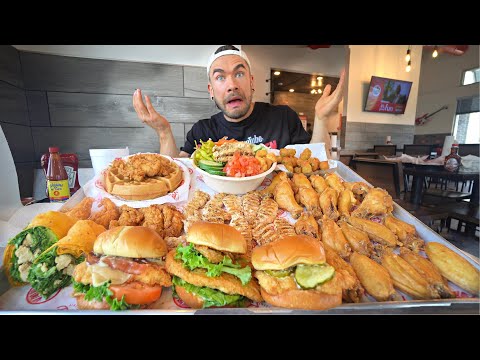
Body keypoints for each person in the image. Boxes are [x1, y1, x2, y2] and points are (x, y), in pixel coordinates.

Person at [133, 45, 345, 158]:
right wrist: (163, 132)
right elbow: (178, 170)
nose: (232, 85)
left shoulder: (283, 117)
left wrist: (321, 119)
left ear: (252, 82)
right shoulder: (202, 132)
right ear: (211, 91)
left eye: (239, 74)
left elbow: (318, 162)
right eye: (220, 77)